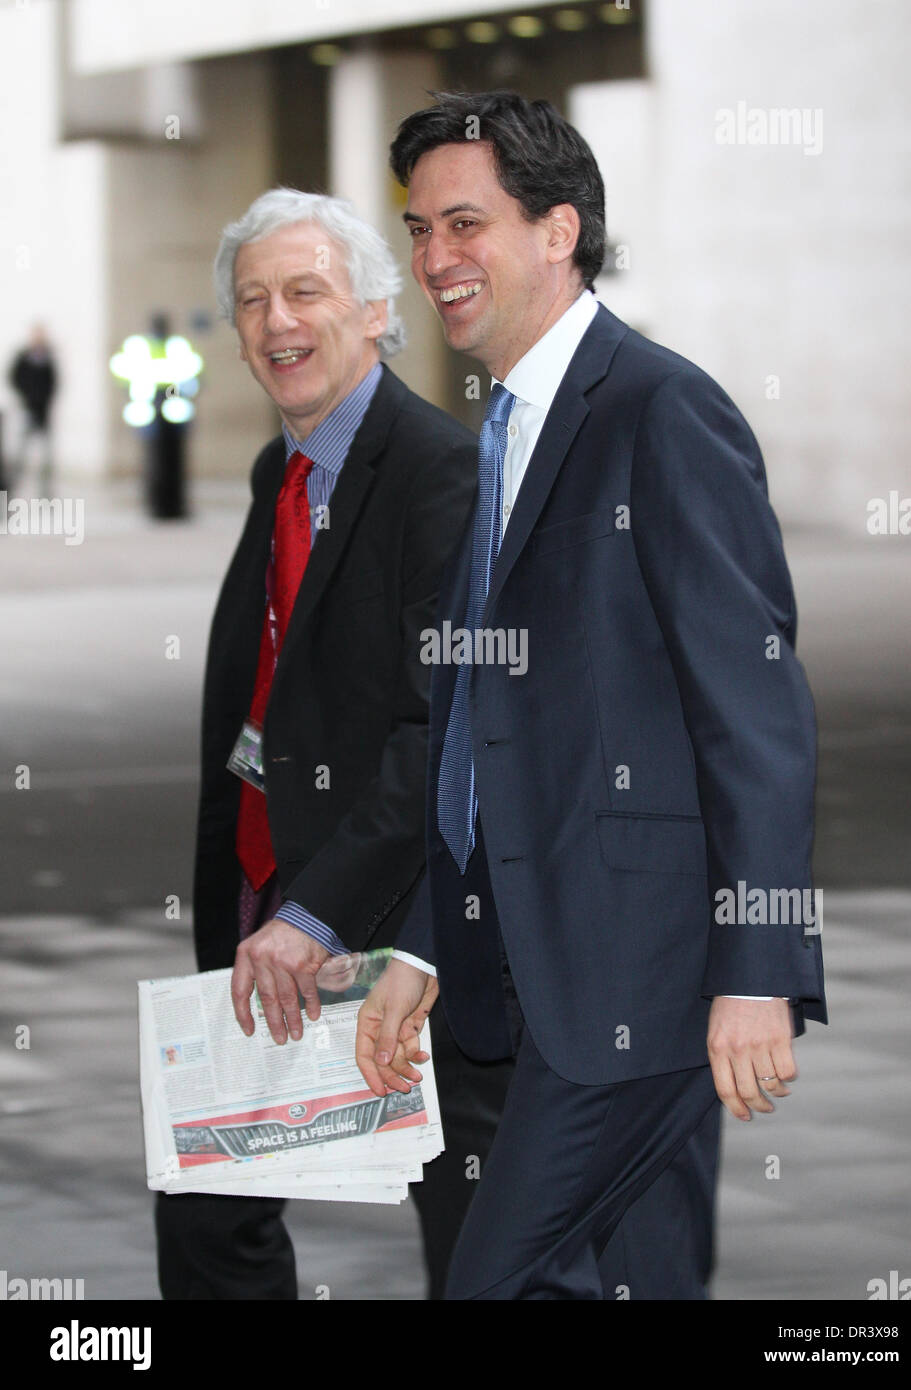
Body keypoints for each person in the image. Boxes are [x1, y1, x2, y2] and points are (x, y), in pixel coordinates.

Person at [353, 91, 828, 1300]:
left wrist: (757, 969)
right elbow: (484, 727)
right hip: (528, 963)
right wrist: (425, 937)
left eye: (465, 225)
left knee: (493, 1281)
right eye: (417, 231)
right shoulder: (506, 427)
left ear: (558, 231)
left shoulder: (660, 411)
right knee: (640, 1278)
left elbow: (755, 712)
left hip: (643, 975)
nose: (432, 261)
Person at [155, 188, 513, 1300]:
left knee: (468, 1226)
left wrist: (320, 912)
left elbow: (442, 723)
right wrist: (256, 899)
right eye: (252, 300)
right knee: (209, 1206)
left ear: (372, 307)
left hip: (400, 917)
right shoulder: (283, 472)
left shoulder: (441, 475)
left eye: (304, 291)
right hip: (266, 901)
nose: (275, 322)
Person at [8, 324, 56, 492]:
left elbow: (53, 382)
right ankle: (13, 488)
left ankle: (45, 490)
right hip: (27, 409)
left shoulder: (48, 357)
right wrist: (25, 396)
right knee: (21, 453)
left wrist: (46, 399)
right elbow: (14, 377)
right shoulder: (23, 356)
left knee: (45, 455)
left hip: (43, 411)